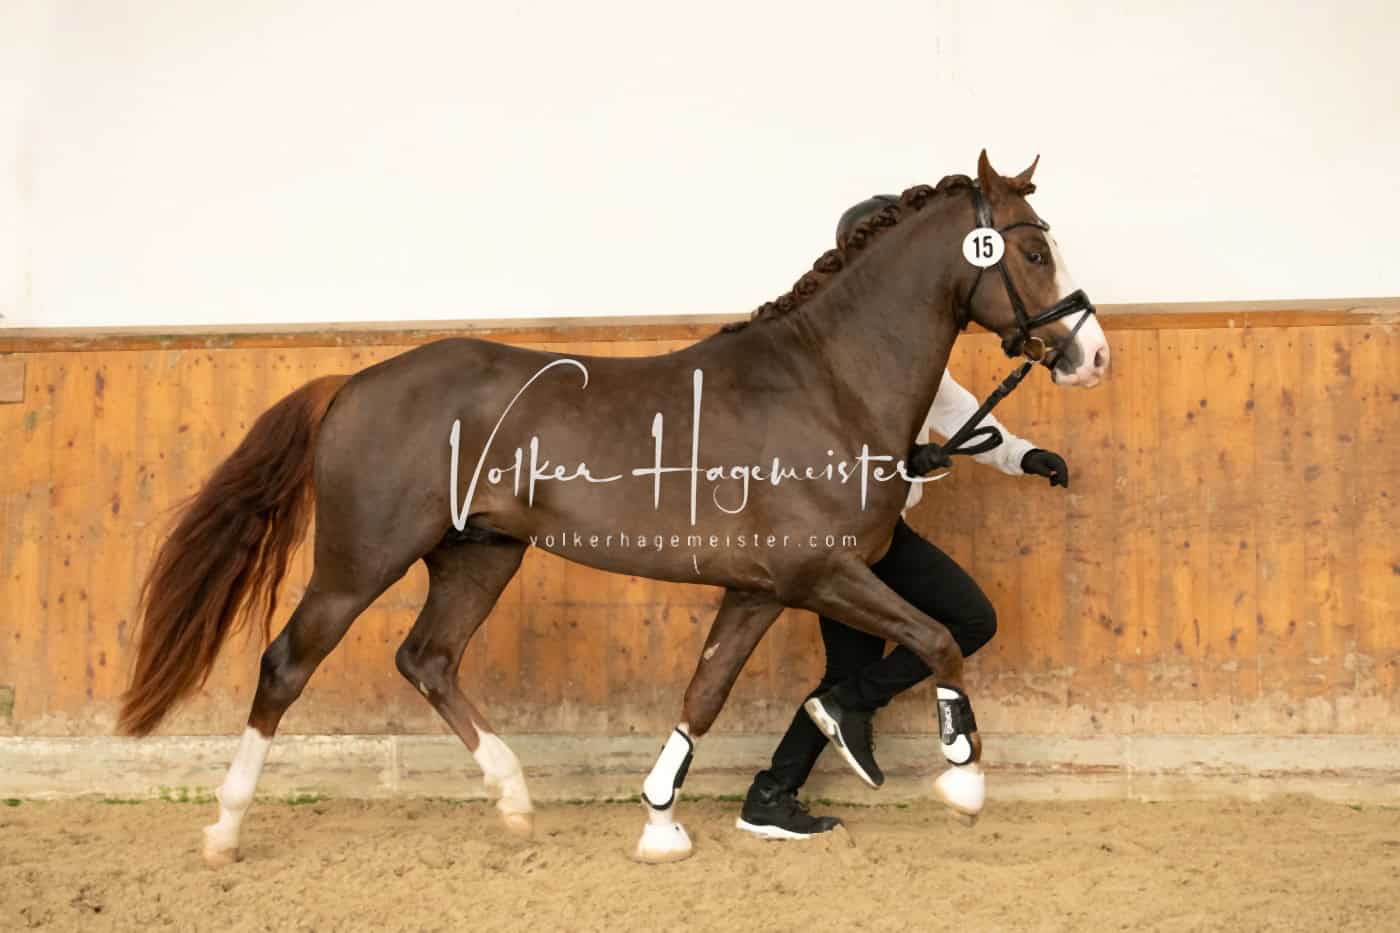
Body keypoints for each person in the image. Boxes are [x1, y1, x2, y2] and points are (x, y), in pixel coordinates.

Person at [735, 195, 1070, 840]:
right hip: (835, 539)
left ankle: (778, 785)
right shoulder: (818, 357)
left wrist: (1024, 456)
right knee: (950, 627)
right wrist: (897, 463)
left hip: (882, 535)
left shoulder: (910, 356)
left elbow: (961, 418)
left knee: (894, 653)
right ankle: (785, 777)